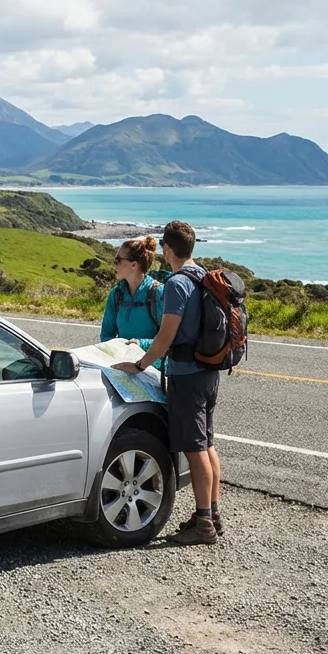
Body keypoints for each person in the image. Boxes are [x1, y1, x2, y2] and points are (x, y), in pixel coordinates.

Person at [114, 220, 223, 545]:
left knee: (194, 448)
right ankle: (213, 513)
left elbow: (166, 336)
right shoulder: (202, 275)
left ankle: (203, 522)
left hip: (187, 375)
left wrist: (140, 364)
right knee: (207, 443)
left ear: (167, 249)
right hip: (208, 371)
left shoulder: (177, 283)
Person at [100, 236, 165, 371]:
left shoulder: (158, 293)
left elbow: (169, 338)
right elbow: (106, 334)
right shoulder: (115, 295)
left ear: (134, 265)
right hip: (122, 367)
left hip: (152, 370)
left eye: (118, 260)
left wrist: (141, 344)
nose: (115, 264)